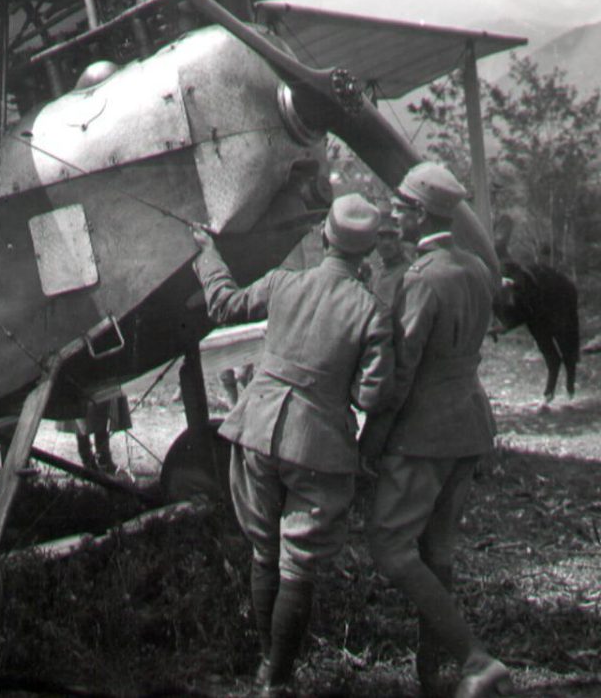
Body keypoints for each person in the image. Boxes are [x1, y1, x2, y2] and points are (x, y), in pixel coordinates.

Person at [193, 194, 393, 697]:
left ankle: (266, 665)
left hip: (257, 427)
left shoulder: (284, 283)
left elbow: (223, 304)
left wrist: (206, 253)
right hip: (319, 444)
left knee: (264, 552)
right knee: (297, 562)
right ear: (366, 254)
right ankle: (277, 679)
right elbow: (371, 394)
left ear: (323, 237)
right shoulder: (371, 312)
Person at [360, 163, 512, 698]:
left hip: (422, 436)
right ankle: (433, 675)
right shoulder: (475, 269)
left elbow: (399, 377)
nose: (393, 213)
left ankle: (472, 659)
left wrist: (370, 442)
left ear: (420, 213)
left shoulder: (421, 281)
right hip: (468, 427)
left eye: (400, 206)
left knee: (389, 547)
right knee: (437, 551)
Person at [369, 211, 411, 310]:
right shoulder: (375, 271)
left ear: (400, 238)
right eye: (381, 237)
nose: (386, 242)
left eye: (392, 237)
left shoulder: (408, 274)